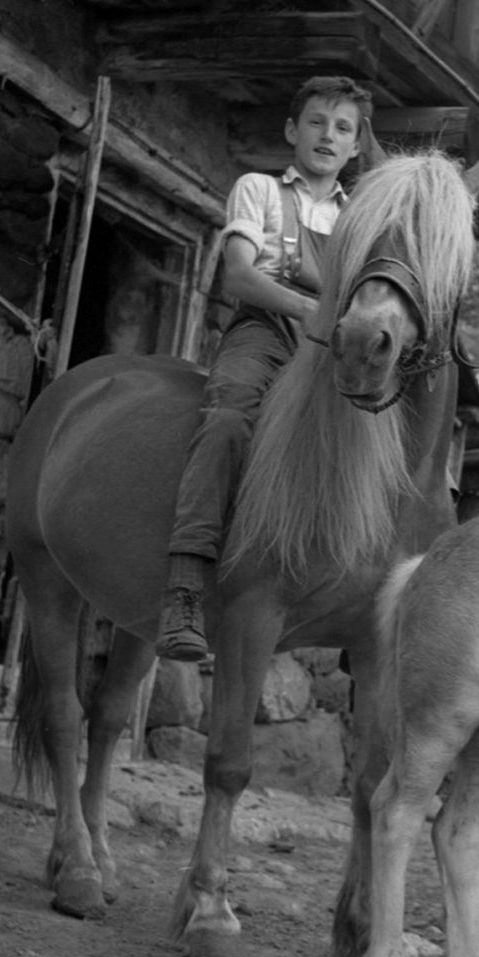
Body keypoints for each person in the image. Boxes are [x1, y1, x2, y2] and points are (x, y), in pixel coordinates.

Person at [156, 75, 374, 662]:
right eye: (316, 123)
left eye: (343, 128)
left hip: (328, 343)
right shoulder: (258, 189)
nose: (328, 136)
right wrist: (308, 307)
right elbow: (240, 276)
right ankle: (184, 586)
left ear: (355, 147)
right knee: (229, 417)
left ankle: (363, 588)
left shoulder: (361, 219)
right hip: (265, 330)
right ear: (292, 131)